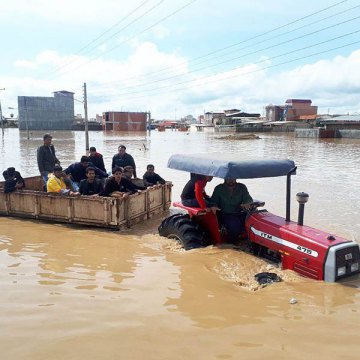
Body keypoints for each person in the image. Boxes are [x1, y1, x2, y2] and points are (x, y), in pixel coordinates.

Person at [211, 178, 253, 243]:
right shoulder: (219, 188)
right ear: (225, 179)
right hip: (224, 213)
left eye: (233, 178)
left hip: (239, 212)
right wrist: (214, 206)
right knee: (234, 225)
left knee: (252, 220)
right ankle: (232, 244)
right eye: (228, 178)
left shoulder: (242, 187)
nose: (231, 180)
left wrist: (247, 203)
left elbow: (248, 199)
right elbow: (213, 201)